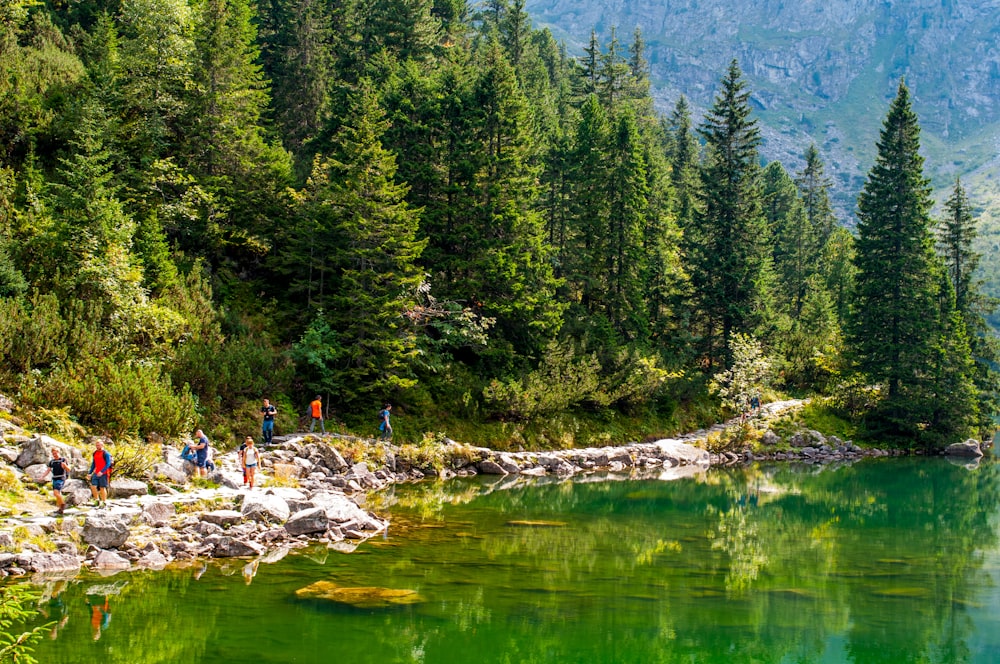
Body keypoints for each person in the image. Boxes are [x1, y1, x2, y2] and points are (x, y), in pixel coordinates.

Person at [42, 448, 70, 514]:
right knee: (57, 494)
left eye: (55, 453)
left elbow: (69, 469)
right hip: (54, 478)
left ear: (58, 452)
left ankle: (63, 504)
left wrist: (65, 466)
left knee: (56, 493)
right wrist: (42, 476)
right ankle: (60, 509)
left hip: (61, 478)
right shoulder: (52, 462)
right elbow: (48, 470)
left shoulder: (63, 460)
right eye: (53, 454)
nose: (54, 455)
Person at [88, 440, 113, 508]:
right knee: (93, 486)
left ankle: (104, 502)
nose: (97, 446)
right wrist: (90, 473)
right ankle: (97, 500)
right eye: (96, 445)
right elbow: (94, 463)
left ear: (102, 445)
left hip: (104, 473)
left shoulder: (106, 453)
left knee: (102, 487)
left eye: (98, 445)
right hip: (96, 472)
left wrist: (102, 471)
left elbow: (108, 464)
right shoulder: (95, 453)